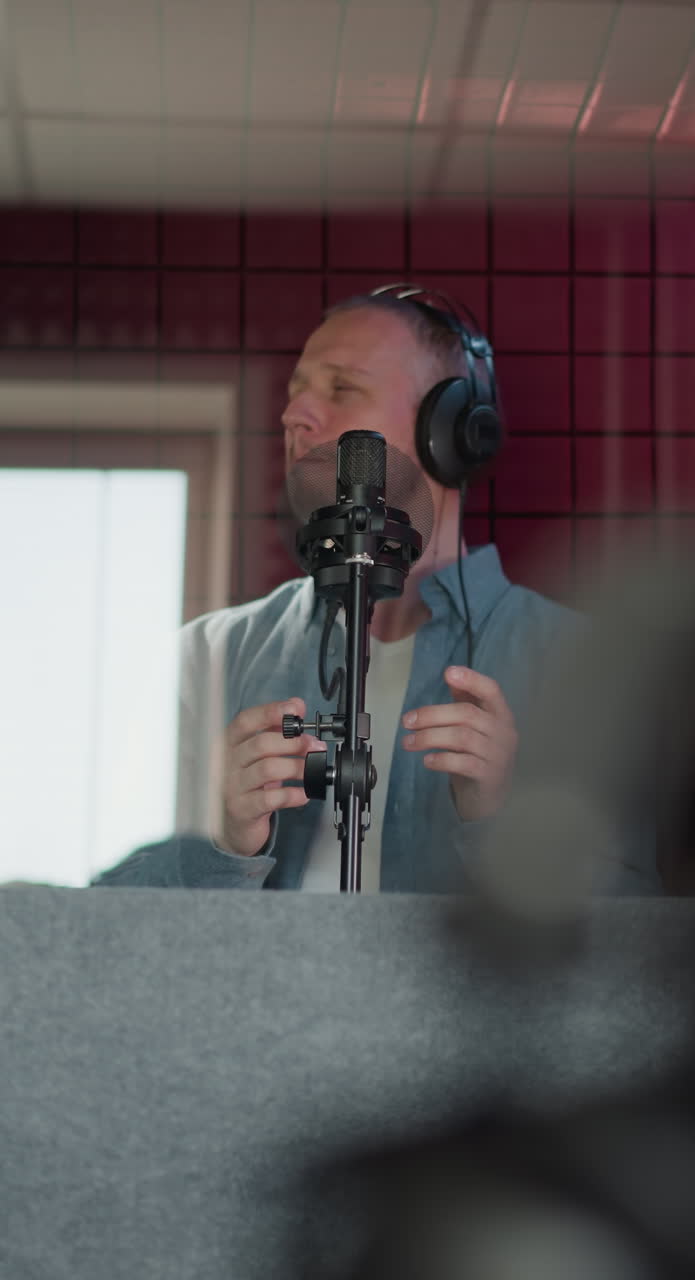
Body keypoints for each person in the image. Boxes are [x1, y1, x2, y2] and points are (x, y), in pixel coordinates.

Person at [91, 287, 659, 893]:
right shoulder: (209, 656)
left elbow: (638, 944)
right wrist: (222, 846)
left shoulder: (584, 667)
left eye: (342, 388)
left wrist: (504, 825)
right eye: (295, 393)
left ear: (451, 431)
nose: (295, 416)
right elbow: (108, 923)